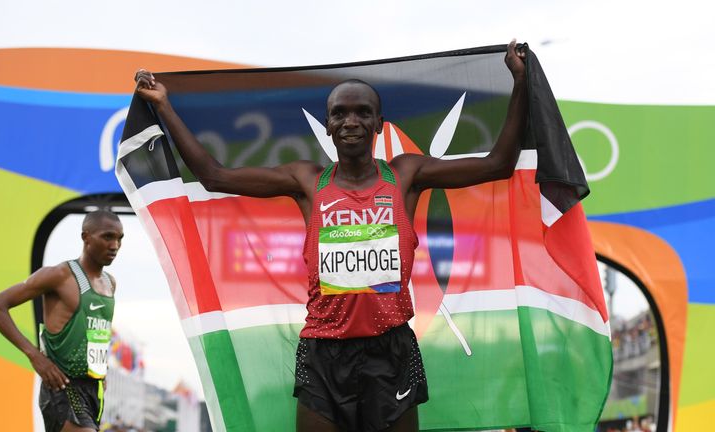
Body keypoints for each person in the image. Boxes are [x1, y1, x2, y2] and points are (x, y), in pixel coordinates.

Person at [135, 39, 526, 432]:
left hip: (390, 350)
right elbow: (214, 176)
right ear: (328, 126)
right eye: (339, 113)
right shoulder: (306, 180)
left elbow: (498, 163)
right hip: (325, 354)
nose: (350, 121)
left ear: (378, 123)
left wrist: (521, 83)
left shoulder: (405, 175)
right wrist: (164, 105)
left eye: (362, 113)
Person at [0, 210, 123, 432]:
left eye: (119, 238)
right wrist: (35, 355)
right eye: (107, 237)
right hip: (62, 386)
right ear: (85, 237)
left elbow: (95, 333)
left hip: (94, 390)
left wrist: (100, 370)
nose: (115, 245)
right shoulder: (60, 275)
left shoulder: (110, 283)